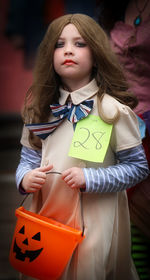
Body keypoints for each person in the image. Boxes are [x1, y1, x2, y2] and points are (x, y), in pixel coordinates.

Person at [16, 14, 149, 280]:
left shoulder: (112, 111)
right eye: (59, 44)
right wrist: (25, 177)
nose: (67, 50)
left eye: (80, 43)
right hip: (48, 217)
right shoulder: (39, 110)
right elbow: (28, 158)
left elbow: (138, 167)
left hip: (97, 219)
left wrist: (91, 177)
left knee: (90, 270)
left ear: (97, 53)